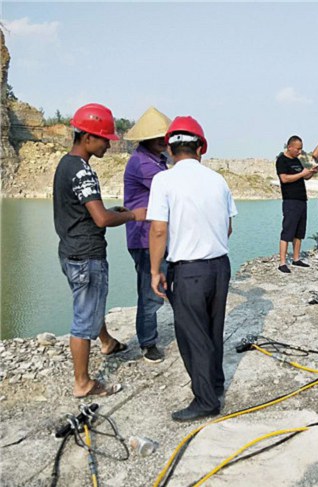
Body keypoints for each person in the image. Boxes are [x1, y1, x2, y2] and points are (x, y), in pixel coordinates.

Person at [53, 103, 147, 398]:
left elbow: (87, 211)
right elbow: (101, 219)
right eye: (105, 138)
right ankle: (82, 383)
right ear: (88, 138)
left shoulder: (66, 164)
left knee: (91, 302)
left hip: (70, 250)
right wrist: (133, 215)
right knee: (83, 317)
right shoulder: (82, 171)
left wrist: (109, 210)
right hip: (86, 255)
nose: (108, 144)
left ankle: (106, 342)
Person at [148, 116, 237, 422]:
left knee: (192, 335)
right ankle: (215, 383)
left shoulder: (164, 180)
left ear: (171, 150)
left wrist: (155, 270)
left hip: (187, 271)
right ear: (201, 148)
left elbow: (159, 230)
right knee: (213, 328)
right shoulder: (218, 180)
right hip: (219, 267)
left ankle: (206, 400)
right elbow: (227, 227)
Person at [123, 107, 172, 363]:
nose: (165, 142)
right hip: (145, 238)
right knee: (149, 291)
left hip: (157, 235)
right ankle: (148, 342)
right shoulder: (143, 163)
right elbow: (172, 189)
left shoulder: (157, 159)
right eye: (161, 138)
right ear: (148, 139)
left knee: (166, 283)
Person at [276, 135, 318, 273]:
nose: (300, 152)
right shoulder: (282, 160)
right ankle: (282, 262)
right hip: (290, 200)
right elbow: (284, 178)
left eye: (301, 149)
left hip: (302, 200)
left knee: (299, 232)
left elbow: (304, 176)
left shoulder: (297, 161)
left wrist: (311, 172)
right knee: (287, 231)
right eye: (298, 149)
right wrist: (302, 174)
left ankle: (296, 258)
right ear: (290, 147)